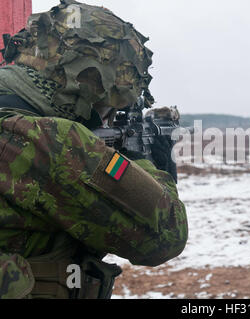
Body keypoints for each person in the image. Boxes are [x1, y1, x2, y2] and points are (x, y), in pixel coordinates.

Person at [0, 0, 188, 299]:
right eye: (110, 106)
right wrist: (146, 159)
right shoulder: (51, 140)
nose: (109, 116)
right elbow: (165, 236)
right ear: (87, 85)